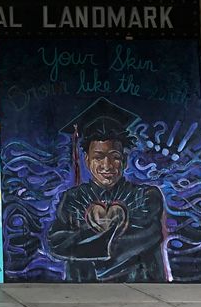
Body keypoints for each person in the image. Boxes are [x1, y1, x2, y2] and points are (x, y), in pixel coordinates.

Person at [47, 97, 169, 282]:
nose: (107, 165)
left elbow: (145, 236)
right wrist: (95, 221)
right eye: (98, 157)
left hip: (139, 289)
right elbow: (57, 243)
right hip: (83, 290)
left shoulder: (146, 196)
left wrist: (116, 216)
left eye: (115, 156)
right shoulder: (72, 198)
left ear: (125, 160)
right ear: (87, 160)